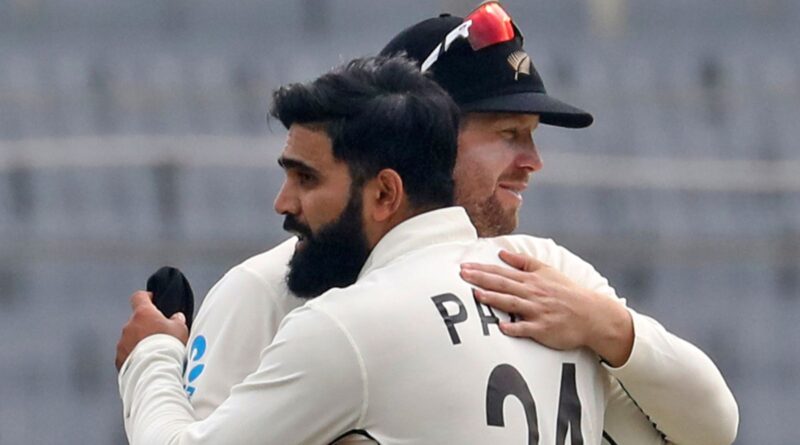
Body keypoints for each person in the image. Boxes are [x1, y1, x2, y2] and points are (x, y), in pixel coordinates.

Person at [126, 2, 738, 444]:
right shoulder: (264, 291)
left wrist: (608, 326)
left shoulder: (548, 280)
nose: (532, 162)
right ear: (427, 137)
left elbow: (704, 427)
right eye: (506, 134)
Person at [118, 54, 611, 443]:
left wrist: (152, 354)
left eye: (306, 178)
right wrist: (622, 332)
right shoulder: (561, 284)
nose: (282, 202)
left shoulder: (344, 326)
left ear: (384, 194)